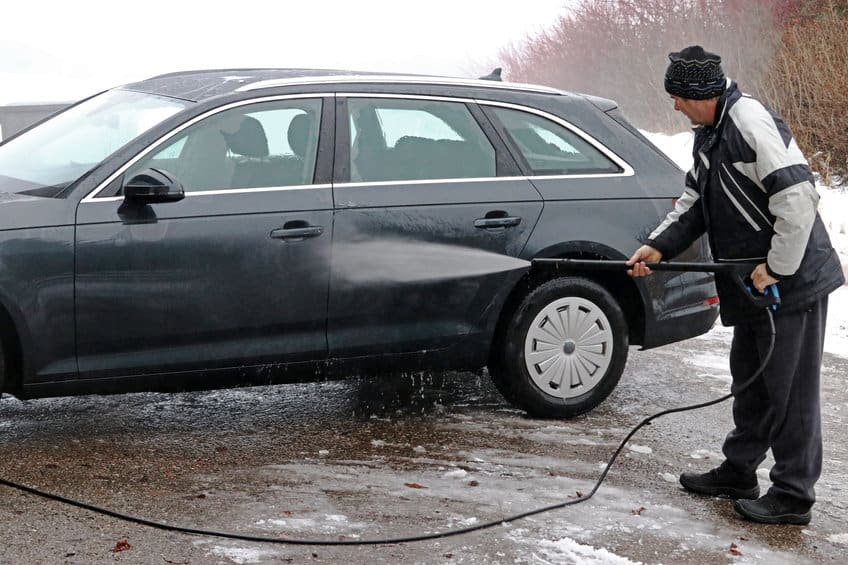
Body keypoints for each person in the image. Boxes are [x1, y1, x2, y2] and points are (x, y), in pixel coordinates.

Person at [627, 45, 844, 525]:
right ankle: (740, 470)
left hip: (791, 280)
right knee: (751, 378)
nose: (675, 107)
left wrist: (778, 269)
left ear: (700, 93)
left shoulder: (748, 122)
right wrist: (659, 246)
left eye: (678, 97)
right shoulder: (709, 133)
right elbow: (694, 202)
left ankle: (793, 493)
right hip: (751, 282)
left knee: (791, 390)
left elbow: (797, 197)